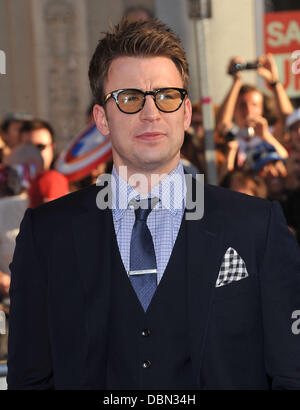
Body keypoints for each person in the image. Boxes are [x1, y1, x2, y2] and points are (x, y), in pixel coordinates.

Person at [7, 18, 300, 390]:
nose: (151, 113)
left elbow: (291, 372)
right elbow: (28, 379)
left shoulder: (257, 225)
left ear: (187, 112)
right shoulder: (47, 234)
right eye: (129, 98)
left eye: (167, 96)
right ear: (102, 118)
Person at [19, 119, 69, 207]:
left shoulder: (72, 184)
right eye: (28, 147)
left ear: (52, 149)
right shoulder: (6, 187)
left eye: (40, 147)